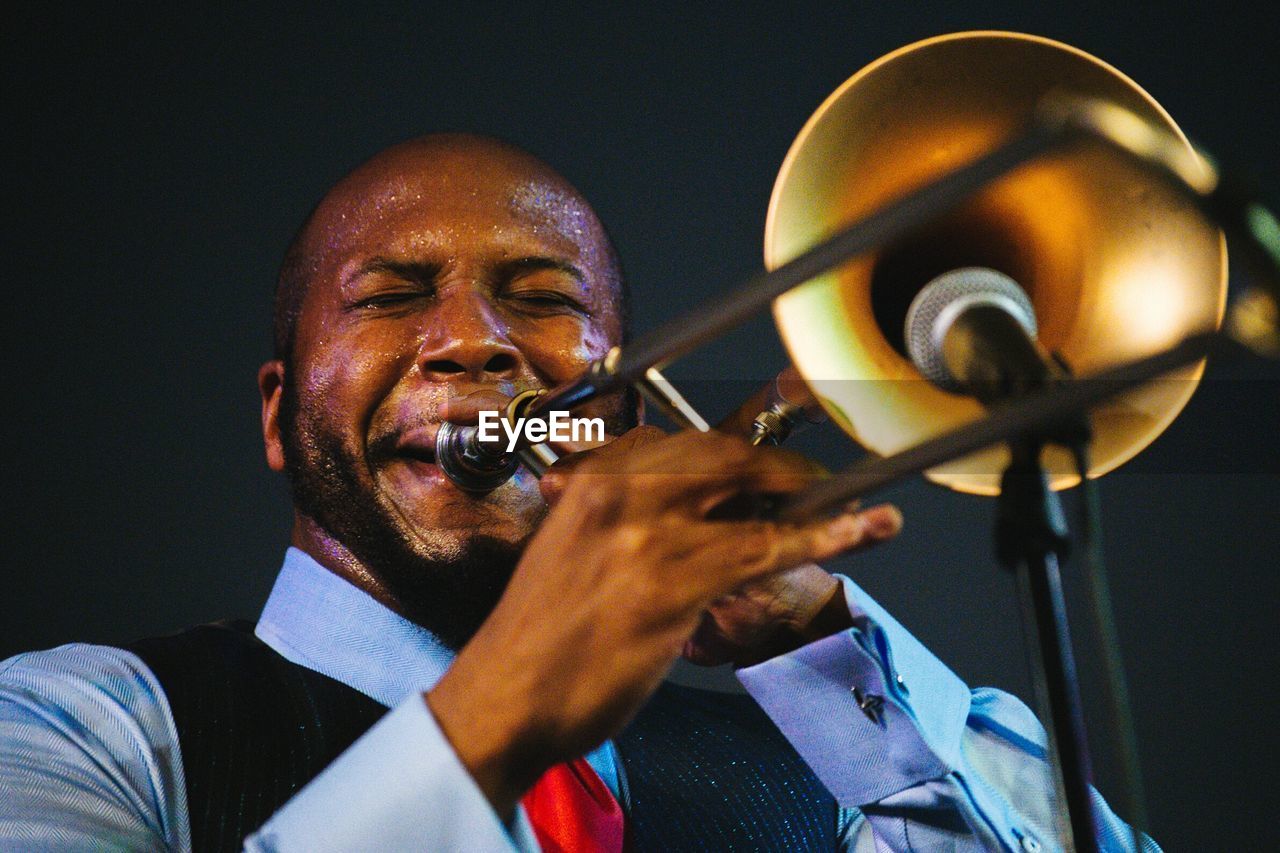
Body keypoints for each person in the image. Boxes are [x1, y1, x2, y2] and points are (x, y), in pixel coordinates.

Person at [0, 134, 1154, 851]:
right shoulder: (83, 729)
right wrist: (498, 713)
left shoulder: (807, 775)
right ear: (275, 412)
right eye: (393, 293)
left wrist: (817, 650)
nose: (471, 343)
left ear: (622, 408)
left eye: (542, 297)